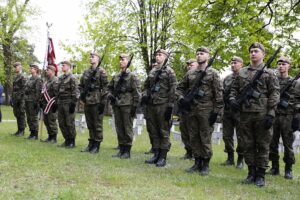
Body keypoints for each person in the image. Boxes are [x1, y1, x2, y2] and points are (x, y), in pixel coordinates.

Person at [229, 43, 280, 187]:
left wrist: (271, 114)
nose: (253, 54)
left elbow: (275, 94)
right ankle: (251, 173)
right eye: (251, 51)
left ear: (263, 54)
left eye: (256, 51)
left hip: (262, 114)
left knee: (263, 145)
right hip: (245, 114)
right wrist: (233, 100)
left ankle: (261, 175)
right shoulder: (242, 72)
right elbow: (233, 90)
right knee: (247, 144)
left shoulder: (270, 73)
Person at [177, 47, 224, 176]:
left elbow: (219, 94)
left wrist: (216, 112)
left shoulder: (213, 73)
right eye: (197, 54)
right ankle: (197, 162)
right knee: (194, 137)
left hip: (206, 110)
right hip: (191, 110)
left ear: (208, 56)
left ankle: (206, 164)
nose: (199, 56)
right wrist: (182, 99)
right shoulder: (190, 73)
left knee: (205, 137)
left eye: (202, 54)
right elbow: (179, 88)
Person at [141, 49, 177, 167]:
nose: (157, 57)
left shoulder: (169, 72)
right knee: (153, 130)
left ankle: (163, 156)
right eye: (156, 55)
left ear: (166, 57)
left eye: (160, 55)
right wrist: (145, 94)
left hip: (163, 105)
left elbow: (173, 90)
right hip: (151, 104)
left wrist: (170, 107)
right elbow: (145, 86)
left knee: (163, 131)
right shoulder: (153, 71)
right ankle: (156, 154)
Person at [268, 56, 299, 179]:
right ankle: (275, 167)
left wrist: (296, 118)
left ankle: (288, 169)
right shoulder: (273, 81)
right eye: (279, 64)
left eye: (284, 64)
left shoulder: (295, 83)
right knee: (272, 143)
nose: (281, 66)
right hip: (274, 115)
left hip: (288, 117)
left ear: (289, 66)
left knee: (288, 144)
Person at [108, 53, 141, 159]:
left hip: (127, 105)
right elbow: (109, 88)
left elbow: (137, 93)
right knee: (119, 128)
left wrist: (135, 107)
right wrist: (110, 96)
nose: (121, 61)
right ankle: (121, 149)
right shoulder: (116, 76)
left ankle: (127, 151)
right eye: (120, 59)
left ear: (128, 62)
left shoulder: (132, 76)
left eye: (123, 59)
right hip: (117, 105)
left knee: (127, 128)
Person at [79, 52, 108, 153]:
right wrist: (82, 95)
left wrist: (102, 103)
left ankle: (97, 144)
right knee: (90, 123)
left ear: (98, 59)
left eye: (93, 57)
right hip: (87, 101)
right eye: (90, 57)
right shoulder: (86, 72)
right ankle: (91, 143)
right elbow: (81, 85)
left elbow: (105, 88)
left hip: (97, 101)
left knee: (97, 124)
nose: (91, 58)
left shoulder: (102, 72)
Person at [221, 56, 244, 169]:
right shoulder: (227, 78)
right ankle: (230, 158)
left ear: (241, 65)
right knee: (226, 135)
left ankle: (240, 159)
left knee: (241, 136)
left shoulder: (244, 78)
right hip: (227, 111)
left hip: (240, 111)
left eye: (235, 63)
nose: (233, 65)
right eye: (232, 63)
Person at [178, 59, 198, 159]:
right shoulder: (187, 76)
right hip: (184, 108)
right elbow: (179, 88)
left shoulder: (201, 75)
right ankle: (188, 152)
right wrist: (181, 99)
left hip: (196, 107)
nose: (189, 66)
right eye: (188, 65)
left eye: (191, 64)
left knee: (193, 131)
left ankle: (195, 153)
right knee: (184, 130)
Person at [57, 61, 79, 148]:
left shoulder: (72, 78)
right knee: (61, 122)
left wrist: (73, 103)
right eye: (62, 65)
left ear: (69, 67)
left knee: (69, 123)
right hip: (61, 103)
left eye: (64, 65)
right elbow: (58, 91)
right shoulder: (60, 78)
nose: (62, 67)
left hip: (69, 103)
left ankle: (72, 141)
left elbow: (76, 91)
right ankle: (66, 139)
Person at [40, 65, 59, 143]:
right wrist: (41, 101)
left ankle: (53, 137)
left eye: (48, 70)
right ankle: (49, 136)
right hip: (45, 103)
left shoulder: (55, 80)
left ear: (52, 71)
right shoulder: (46, 80)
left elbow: (57, 93)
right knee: (46, 121)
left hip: (52, 103)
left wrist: (56, 104)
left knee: (51, 121)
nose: (46, 71)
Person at [24, 63, 43, 140]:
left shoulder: (38, 79)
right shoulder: (29, 78)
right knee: (29, 117)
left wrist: (36, 101)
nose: (30, 69)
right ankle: (31, 132)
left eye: (31, 68)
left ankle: (35, 134)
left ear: (36, 70)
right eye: (30, 68)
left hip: (33, 101)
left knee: (34, 117)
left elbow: (38, 91)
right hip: (27, 100)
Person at [11, 62, 27, 136]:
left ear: (20, 67)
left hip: (21, 99)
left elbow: (24, 89)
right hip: (16, 99)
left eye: (16, 67)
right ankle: (19, 129)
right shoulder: (15, 77)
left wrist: (18, 98)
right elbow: (14, 89)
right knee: (17, 114)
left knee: (21, 114)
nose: (15, 68)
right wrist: (12, 98)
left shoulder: (23, 77)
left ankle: (22, 130)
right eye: (14, 67)